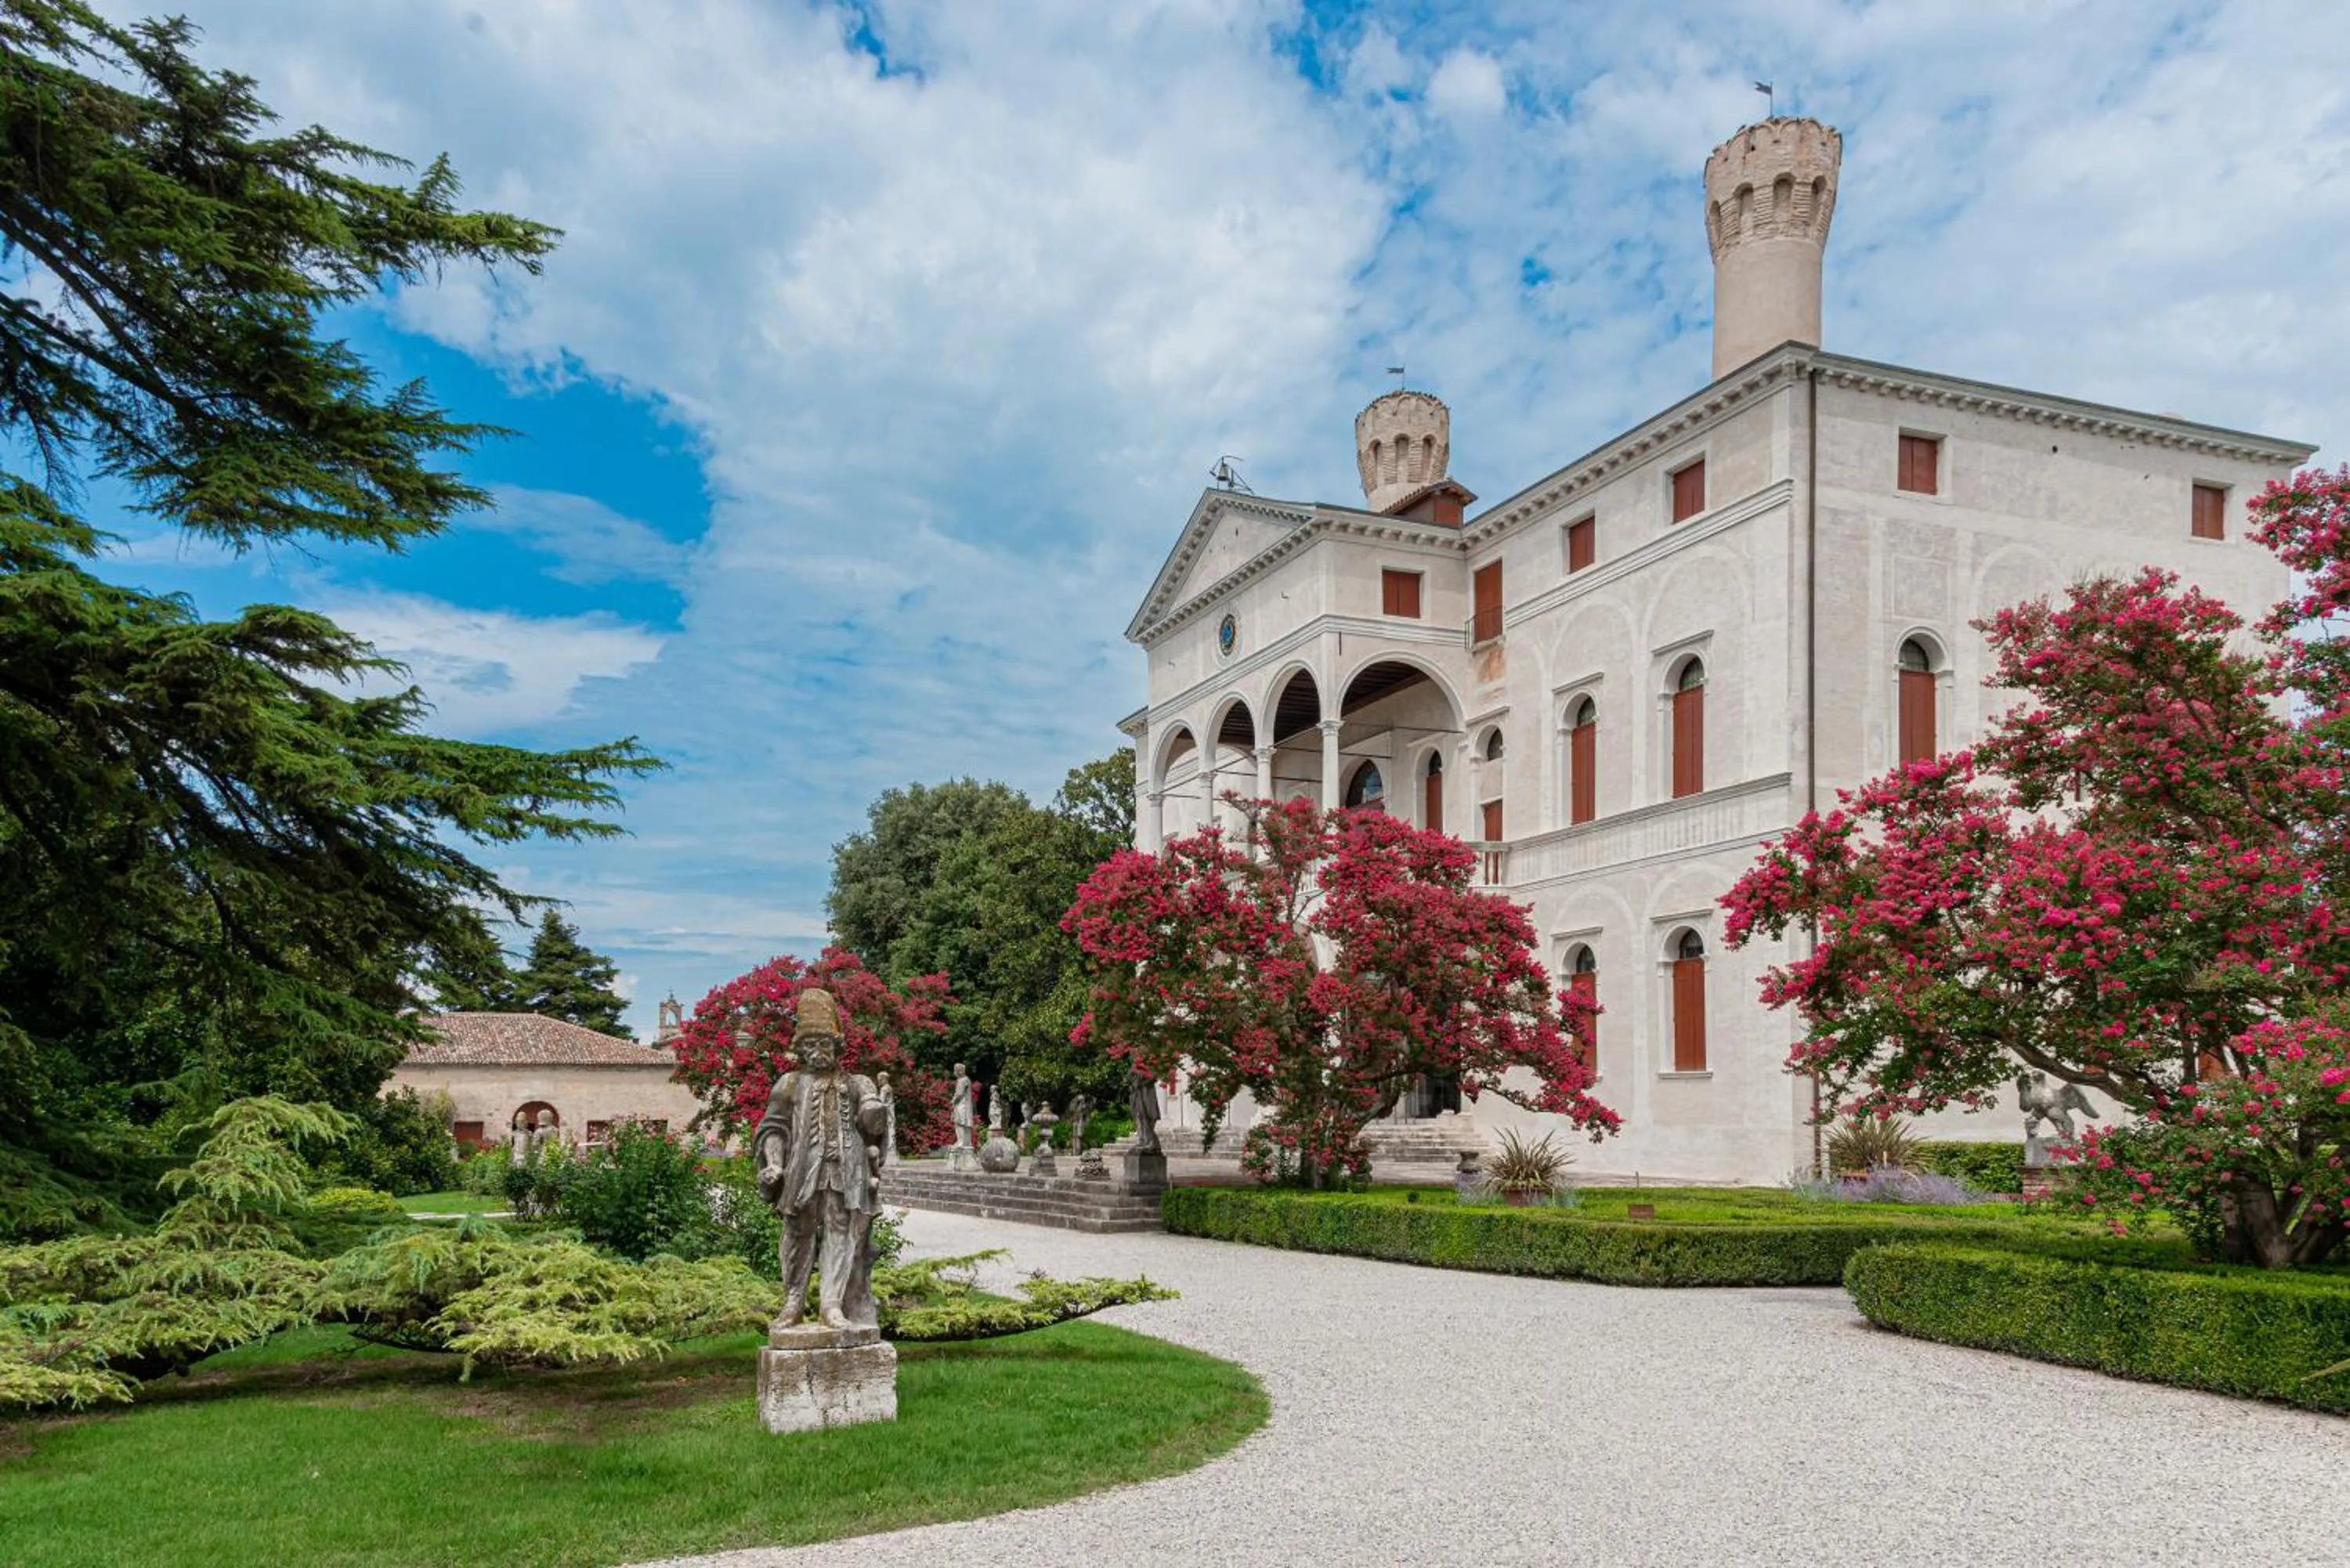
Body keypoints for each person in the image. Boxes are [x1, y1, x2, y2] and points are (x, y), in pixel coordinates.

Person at [754, 989, 889, 1331]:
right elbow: (773, 1128)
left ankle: (831, 1305)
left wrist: (873, 1110)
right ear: (800, 1049)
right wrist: (774, 1164)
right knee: (797, 1230)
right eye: (810, 1044)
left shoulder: (857, 1083)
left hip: (846, 1169)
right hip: (802, 1170)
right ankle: (793, 1301)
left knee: (841, 1228)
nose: (817, 1051)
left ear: (837, 1045)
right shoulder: (789, 1084)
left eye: (824, 1043)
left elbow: (873, 1124)